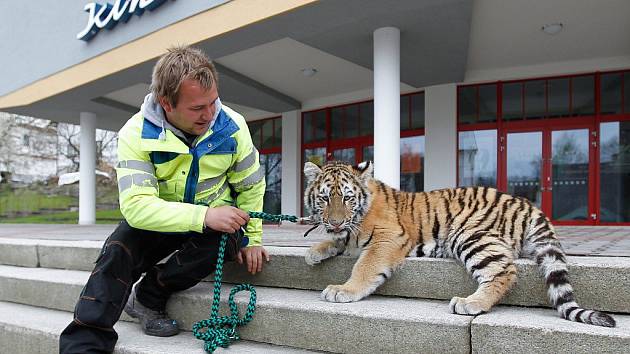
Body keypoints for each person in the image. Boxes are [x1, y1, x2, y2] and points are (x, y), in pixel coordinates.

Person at [59, 45, 268, 353]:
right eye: (198, 108)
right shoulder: (135, 134)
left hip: (213, 226)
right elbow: (136, 206)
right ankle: (84, 343)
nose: (210, 115)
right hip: (162, 220)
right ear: (166, 104)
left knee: (231, 239)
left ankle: (147, 297)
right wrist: (204, 216)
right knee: (118, 250)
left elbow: (251, 186)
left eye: (213, 103)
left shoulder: (233, 126)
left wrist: (252, 238)